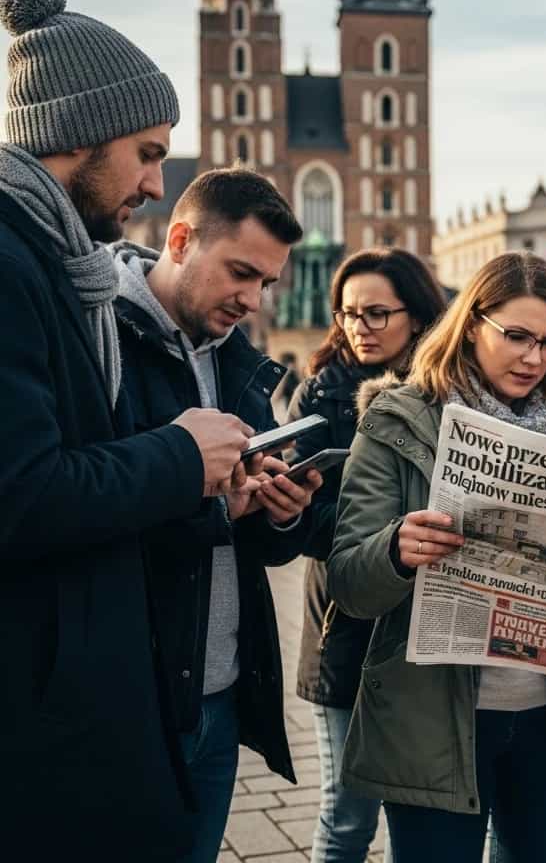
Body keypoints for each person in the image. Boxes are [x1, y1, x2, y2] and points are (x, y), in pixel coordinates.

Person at [0, 0, 256, 858]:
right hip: (39, 719)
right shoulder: (11, 262)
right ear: (78, 133)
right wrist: (180, 456)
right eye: (147, 151)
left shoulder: (55, 260)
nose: (157, 180)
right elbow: (21, 493)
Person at [326, 253, 546, 863]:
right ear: (470, 325)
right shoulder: (397, 421)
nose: (534, 359)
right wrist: (397, 551)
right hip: (433, 721)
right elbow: (349, 581)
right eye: (516, 336)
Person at [112, 166, 322, 861]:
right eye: (241, 273)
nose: (254, 300)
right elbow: (88, 510)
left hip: (220, 695)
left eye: (266, 282)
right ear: (178, 241)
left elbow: (251, 536)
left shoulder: (236, 357)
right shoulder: (104, 338)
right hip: (132, 705)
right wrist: (209, 503)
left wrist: (278, 512)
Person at [287, 248, 446, 863]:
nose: (360, 327)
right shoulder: (319, 395)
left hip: (428, 627)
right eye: (349, 313)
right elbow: (307, 520)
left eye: (377, 313)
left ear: (417, 315)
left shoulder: (444, 390)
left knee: (427, 806)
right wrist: (389, 537)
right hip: (344, 628)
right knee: (348, 812)